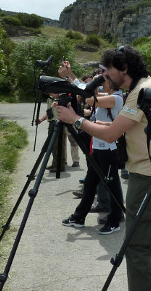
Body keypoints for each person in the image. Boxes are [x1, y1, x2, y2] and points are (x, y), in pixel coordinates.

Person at [56, 46, 151, 291]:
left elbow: (112, 134)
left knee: (136, 243)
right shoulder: (143, 86)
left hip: (147, 175)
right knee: (146, 238)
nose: (106, 77)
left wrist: (76, 120)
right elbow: (123, 125)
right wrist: (88, 120)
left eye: (108, 71)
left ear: (124, 68)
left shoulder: (141, 90)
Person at [61, 78, 125, 234]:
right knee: (90, 184)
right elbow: (88, 94)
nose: (102, 85)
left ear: (111, 84)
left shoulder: (116, 98)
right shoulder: (106, 96)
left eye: (104, 82)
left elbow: (90, 99)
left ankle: (115, 219)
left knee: (112, 184)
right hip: (97, 146)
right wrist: (73, 78)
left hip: (109, 148)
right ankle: (79, 217)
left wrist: (92, 83)